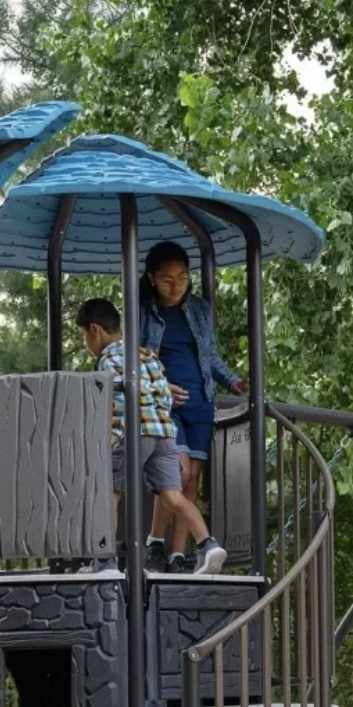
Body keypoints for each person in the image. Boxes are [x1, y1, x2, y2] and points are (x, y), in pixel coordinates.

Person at [78, 298, 227, 575]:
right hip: (164, 433)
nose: (86, 343)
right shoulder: (146, 354)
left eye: (83, 336)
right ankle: (208, 545)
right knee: (173, 495)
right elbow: (162, 394)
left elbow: (111, 404)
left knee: (109, 493)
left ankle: (104, 561)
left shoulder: (108, 360)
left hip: (131, 432)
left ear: (95, 330)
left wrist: (106, 441)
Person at [138, 241, 247, 572]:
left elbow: (210, 355)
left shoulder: (199, 309)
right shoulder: (143, 311)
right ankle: (155, 543)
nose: (177, 286)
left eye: (183, 277)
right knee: (176, 471)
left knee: (191, 480)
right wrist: (158, 385)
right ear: (152, 278)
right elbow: (135, 358)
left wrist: (233, 382)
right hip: (164, 403)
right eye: (168, 279)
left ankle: (177, 555)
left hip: (201, 401)